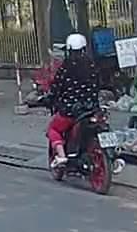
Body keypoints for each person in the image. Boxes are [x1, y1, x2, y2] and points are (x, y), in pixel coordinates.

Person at [46, 33, 107, 167]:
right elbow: (99, 84)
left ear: (69, 50)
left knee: (53, 129)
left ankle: (61, 156)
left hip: (70, 111)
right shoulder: (92, 65)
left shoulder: (65, 67)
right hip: (92, 109)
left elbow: (55, 89)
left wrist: (48, 99)